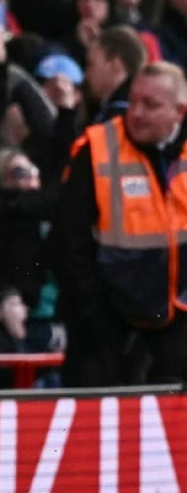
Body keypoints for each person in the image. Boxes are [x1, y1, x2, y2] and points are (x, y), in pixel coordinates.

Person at [55, 61, 187, 386]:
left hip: (178, 326)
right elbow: (70, 242)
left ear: (179, 112)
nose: (137, 113)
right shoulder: (96, 149)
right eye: (134, 101)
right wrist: (96, 320)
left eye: (151, 105)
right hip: (109, 329)